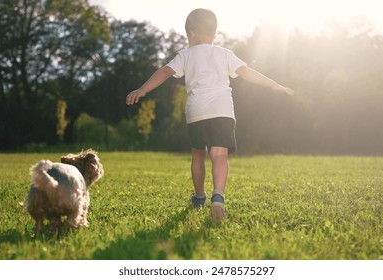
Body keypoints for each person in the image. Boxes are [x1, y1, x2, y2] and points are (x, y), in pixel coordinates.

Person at [126, 8, 294, 223]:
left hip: (197, 112)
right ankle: (218, 196)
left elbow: (164, 72)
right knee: (219, 155)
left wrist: (143, 89)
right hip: (222, 111)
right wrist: (274, 84)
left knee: (198, 154)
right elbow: (247, 73)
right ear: (214, 34)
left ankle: (198, 197)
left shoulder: (185, 55)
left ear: (192, 33)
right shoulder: (224, 53)